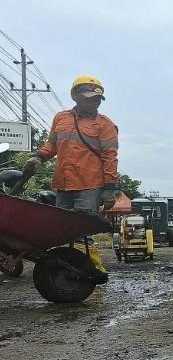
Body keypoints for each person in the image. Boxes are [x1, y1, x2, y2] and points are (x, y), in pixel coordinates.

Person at [24, 75, 120, 281]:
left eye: (97, 98)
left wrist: (110, 188)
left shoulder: (105, 125)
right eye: (89, 97)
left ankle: (91, 269)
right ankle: (66, 269)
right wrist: (38, 158)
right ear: (76, 96)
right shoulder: (61, 118)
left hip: (89, 186)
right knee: (63, 232)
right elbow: (51, 146)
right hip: (63, 185)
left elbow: (110, 158)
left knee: (82, 231)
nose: (94, 101)